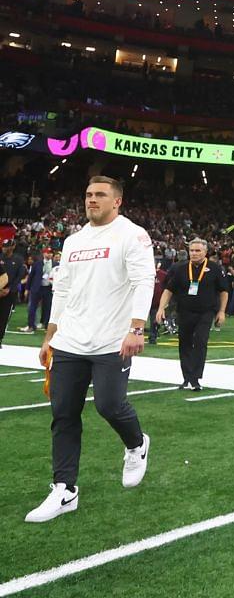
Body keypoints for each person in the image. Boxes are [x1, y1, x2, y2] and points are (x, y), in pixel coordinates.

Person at [24, 176, 153, 523]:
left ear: (117, 201)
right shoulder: (73, 241)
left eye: (100, 195)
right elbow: (62, 290)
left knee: (109, 405)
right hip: (70, 341)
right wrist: (50, 335)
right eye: (88, 195)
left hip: (113, 340)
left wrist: (136, 328)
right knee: (63, 413)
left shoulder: (133, 235)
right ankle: (64, 489)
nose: (92, 200)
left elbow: (145, 281)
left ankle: (137, 443)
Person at [155, 238, 229, 391]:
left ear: (205, 252)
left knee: (201, 341)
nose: (194, 253)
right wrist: (161, 308)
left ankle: (195, 378)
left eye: (198, 251)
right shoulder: (181, 268)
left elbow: (224, 291)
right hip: (185, 311)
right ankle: (187, 377)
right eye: (192, 251)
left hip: (206, 311)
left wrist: (221, 311)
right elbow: (169, 290)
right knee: (185, 343)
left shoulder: (214, 268)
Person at [0, 239, 28, 348]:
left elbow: (19, 276)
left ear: (13, 246)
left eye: (7, 246)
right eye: (4, 246)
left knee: (3, 317)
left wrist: (9, 289)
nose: (4, 248)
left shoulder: (18, 259)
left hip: (9, 293)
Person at [149, 260, 168, 345]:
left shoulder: (163, 275)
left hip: (156, 302)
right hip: (144, 301)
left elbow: (167, 288)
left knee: (154, 320)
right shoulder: (143, 274)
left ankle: (153, 337)